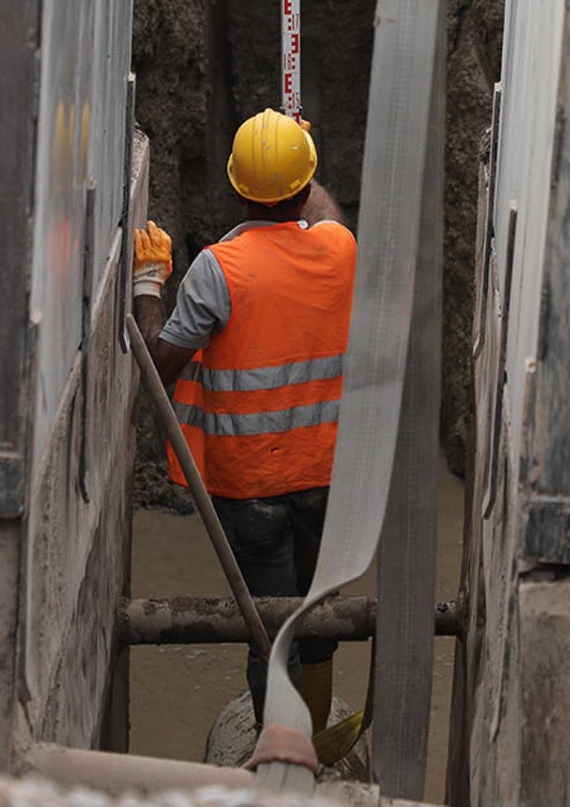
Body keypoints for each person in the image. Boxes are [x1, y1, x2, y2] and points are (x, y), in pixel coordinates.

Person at [132, 108, 353, 735]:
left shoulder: (218, 270)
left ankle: (279, 752)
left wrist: (149, 283)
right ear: (306, 187)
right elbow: (328, 214)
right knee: (318, 609)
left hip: (248, 487)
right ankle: (316, 729)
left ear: (235, 190)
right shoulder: (340, 250)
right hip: (325, 478)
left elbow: (159, 359)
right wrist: (303, 153)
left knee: (268, 630)